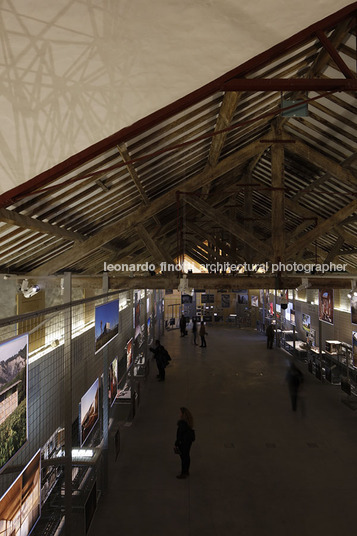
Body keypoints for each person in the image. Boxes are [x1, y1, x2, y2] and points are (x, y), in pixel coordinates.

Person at [174, 407, 195, 479]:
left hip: (183, 443)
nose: (179, 414)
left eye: (180, 413)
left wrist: (176, 444)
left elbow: (179, 436)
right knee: (187, 456)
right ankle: (186, 471)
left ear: (183, 414)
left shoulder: (182, 424)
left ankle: (183, 473)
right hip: (188, 442)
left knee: (183, 458)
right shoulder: (188, 422)